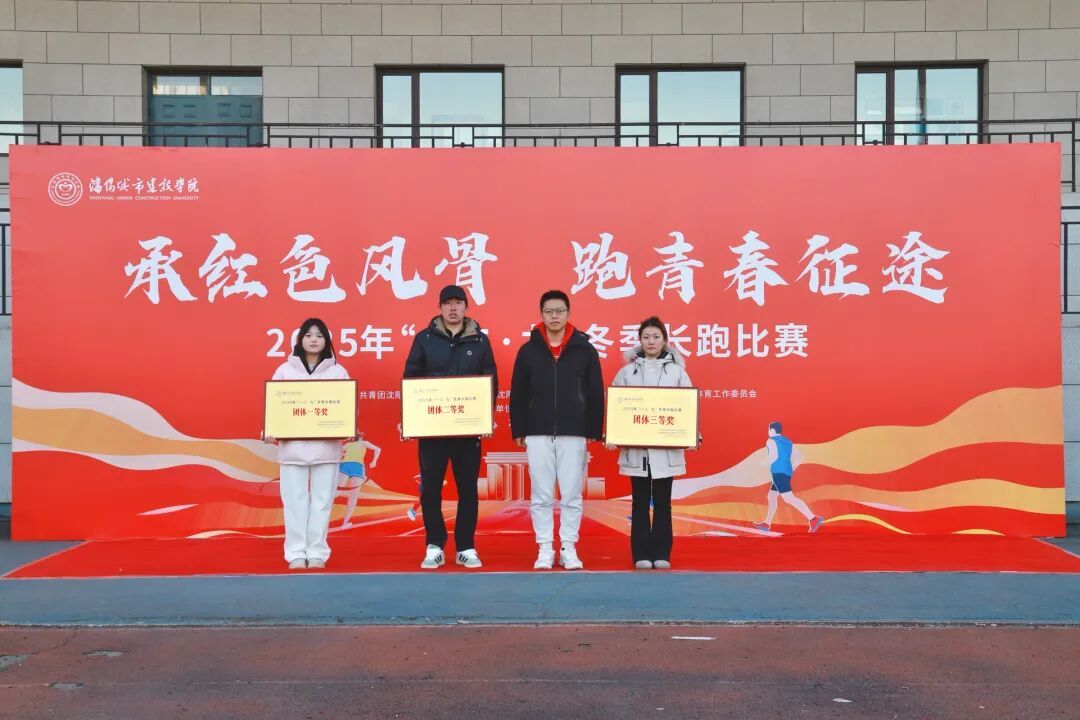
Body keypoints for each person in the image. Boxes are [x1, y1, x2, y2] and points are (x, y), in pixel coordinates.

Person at [403, 284, 498, 570]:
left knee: (468, 488)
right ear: (440, 307)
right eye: (448, 303)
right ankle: (434, 545)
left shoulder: (479, 340)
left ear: (466, 307)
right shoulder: (424, 339)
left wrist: (485, 416)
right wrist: (410, 417)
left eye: (458, 303)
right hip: (432, 429)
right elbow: (411, 378)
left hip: (467, 430)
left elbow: (490, 380)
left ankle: (466, 546)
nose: (453, 308)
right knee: (431, 488)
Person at [510, 289, 604, 571]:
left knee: (571, 493)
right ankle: (544, 548)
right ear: (541, 314)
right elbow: (518, 392)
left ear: (568, 313)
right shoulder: (528, 351)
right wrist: (519, 428)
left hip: (573, 431)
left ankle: (568, 548)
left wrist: (593, 428)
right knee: (541, 494)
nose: (554, 316)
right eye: (549, 311)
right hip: (537, 431)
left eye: (560, 311)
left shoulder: (584, 349)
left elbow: (595, 390)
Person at [264, 318, 351, 570]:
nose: (314, 340)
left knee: (322, 502)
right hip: (293, 448)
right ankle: (295, 553)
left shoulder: (338, 372)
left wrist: (349, 427)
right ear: (300, 339)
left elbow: (347, 407)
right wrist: (270, 429)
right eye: (309, 335)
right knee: (294, 502)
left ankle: (317, 553)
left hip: (327, 448)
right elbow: (274, 406)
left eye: (320, 335)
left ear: (327, 341)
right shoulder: (284, 370)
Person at [611, 317, 693, 570]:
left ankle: (662, 553)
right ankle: (641, 554)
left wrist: (691, 434)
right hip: (637, 450)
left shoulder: (677, 372)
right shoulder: (627, 373)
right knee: (639, 502)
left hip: (665, 451)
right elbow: (617, 408)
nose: (651, 342)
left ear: (664, 340)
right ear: (639, 340)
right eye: (646, 337)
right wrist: (613, 434)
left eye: (656, 337)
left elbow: (687, 409)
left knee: (663, 503)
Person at [754, 422, 824, 533]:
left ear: (772, 430)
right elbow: (800, 457)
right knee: (772, 496)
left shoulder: (771, 441)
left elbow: (774, 457)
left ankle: (813, 518)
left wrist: (762, 464)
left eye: (769, 430)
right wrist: (791, 468)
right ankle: (767, 523)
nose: (768, 432)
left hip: (777, 472)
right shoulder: (788, 442)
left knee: (788, 498)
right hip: (786, 472)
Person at [337, 435, 382, 528]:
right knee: (353, 496)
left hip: (345, 465)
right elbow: (378, 449)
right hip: (356, 467)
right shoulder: (363, 443)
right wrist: (374, 461)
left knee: (337, 492)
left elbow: (339, 454)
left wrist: (342, 456)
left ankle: (318, 510)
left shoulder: (348, 445)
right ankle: (345, 523)